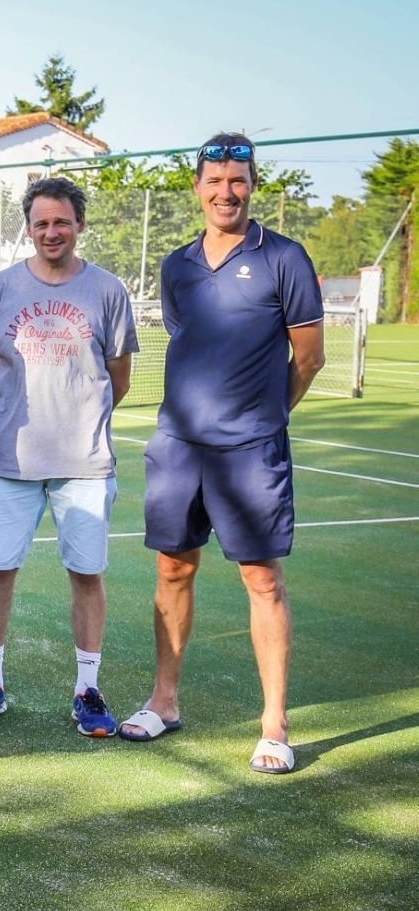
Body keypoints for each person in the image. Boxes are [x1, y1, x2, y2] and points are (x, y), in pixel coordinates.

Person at [121, 134, 327, 774]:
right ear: (198, 188)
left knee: (262, 579)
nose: (225, 192)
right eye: (214, 181)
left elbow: (309, 356)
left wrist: (262, 418)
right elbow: (190, 341)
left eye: (237, 181)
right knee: (172, 571)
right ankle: (165, 700)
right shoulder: (177, 264)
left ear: (252, 185)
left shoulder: (285, 258)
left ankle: (274, 724)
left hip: (250, 451)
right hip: (179, 447)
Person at [0, 177, 137, 738]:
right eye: (41, 223)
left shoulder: (107, 290)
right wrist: (16, 413)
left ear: (80, 224)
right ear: (29, 228)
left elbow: (119, 376)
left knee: (86, 574)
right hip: (10, 461)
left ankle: (87, 688)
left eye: (62, 221)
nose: (51, 232)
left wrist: (78, 418)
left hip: (84, 462)